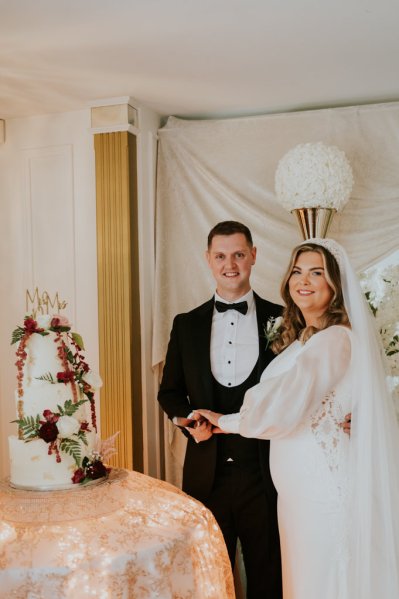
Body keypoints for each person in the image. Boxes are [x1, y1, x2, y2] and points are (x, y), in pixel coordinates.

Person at [195, 238, 399, 599]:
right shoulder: (306, 341)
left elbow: (281, 407)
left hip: (323, 492)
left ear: (335, 285)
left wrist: (226, 420)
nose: (303, 280)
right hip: (299, 496)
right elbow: (282, 404)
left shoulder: (335, 339)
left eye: (317, 272)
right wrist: (227, 419)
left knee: (325, 581)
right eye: (297, 271)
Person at [158, 221, 283, 598]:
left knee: (269, 574)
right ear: (208, 260)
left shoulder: (283, 320)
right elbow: (170, 392)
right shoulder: (186, 325)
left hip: (267, 474)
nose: (231, 264)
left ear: (253, 256)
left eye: (239, 254)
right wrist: (187, 420)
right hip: (206, 476)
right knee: (211, 578)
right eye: (221, 256)